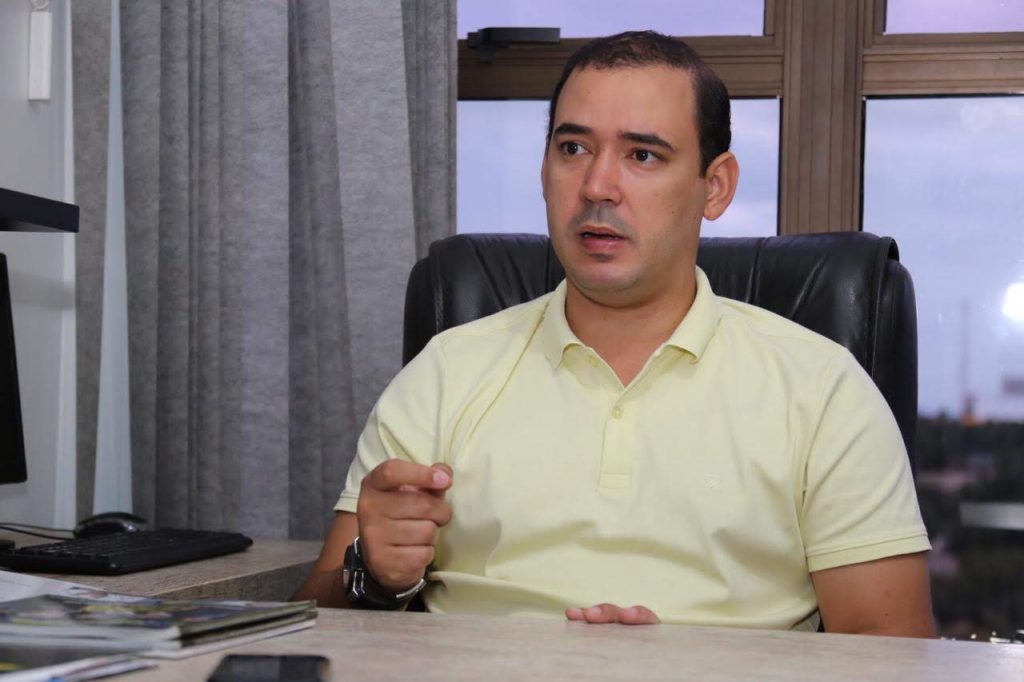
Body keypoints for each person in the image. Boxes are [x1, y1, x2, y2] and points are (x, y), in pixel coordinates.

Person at [294, 31, 935, 636]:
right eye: (573, 149)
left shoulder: (822, 390)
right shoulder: (446, 372)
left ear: (715, 187)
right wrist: (370, 574)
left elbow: (889, 653)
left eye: (642, 155)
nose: (597, 187)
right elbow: (313, 625)